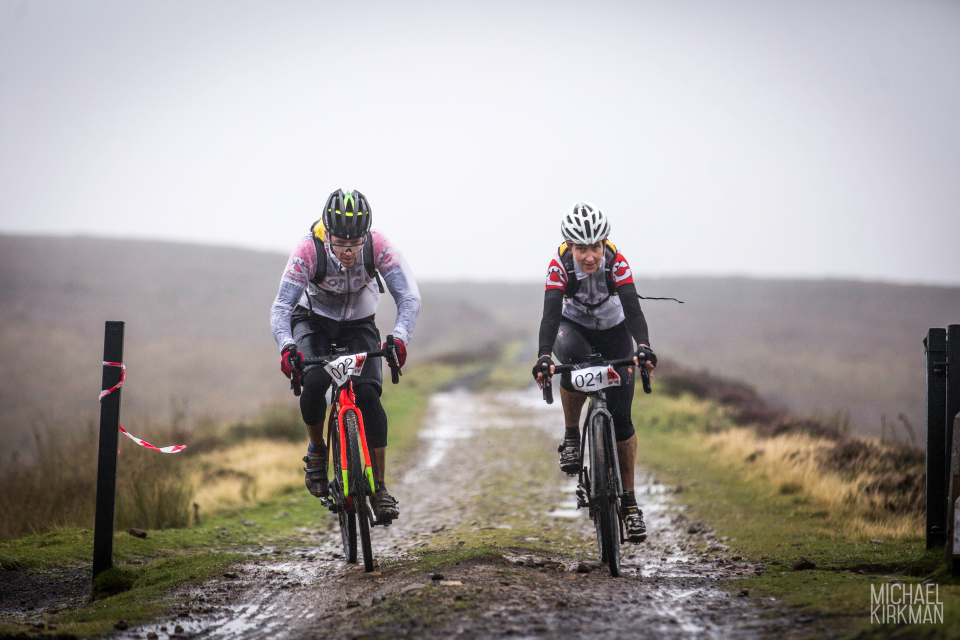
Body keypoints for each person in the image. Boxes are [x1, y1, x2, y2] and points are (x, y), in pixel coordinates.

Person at [270, 189, 421, 522]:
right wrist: (287, 346)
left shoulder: (379, 246)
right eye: (340, 242)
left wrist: (399, 338)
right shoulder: (307, 251)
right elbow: (281, 306)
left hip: (359, 325)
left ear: (366, 235)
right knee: (313, 381)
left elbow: (409, 297)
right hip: (313, 322)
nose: (349, 250)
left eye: (355, 243)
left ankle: (380, 488)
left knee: (368, 394)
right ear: (327, 234)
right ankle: (317, 452)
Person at [532, 202, 656, 543]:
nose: (590, 256)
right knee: (573, 366)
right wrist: (544, 355)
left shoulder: (616, 263)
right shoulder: (559, 267)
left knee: (623, 417)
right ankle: (573, 435)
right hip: (573, 328)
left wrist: (642, 346)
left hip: (614, 328)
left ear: (605, 244)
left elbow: (632, 308)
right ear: (570, 247)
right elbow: (550, 316)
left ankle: (629, 504)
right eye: (582, 248)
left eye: (596, 247)